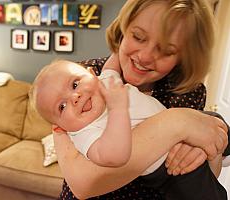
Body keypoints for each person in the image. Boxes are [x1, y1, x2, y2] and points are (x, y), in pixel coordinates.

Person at [47, 0, 230, 199]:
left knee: (218, 124)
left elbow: (199, 170)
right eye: (138, 37)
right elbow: (85, 184)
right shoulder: (78, 81)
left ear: (184, 56)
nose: (145, 57)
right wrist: (178, 121)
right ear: (124, 28)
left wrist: (209, 150)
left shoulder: (186, 91)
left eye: (166, 50)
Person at [32, 59, 228, 199]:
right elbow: (113, 156)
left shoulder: (105, 83)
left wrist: (120, 49)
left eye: (75, 84)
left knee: (216, 122)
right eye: (62, 107)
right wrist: (118, 109)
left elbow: (111, 65)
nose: (74, 98)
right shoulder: (84, 134)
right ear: (59, 127)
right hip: (168, 169)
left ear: (93, 74)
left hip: (184, 137)